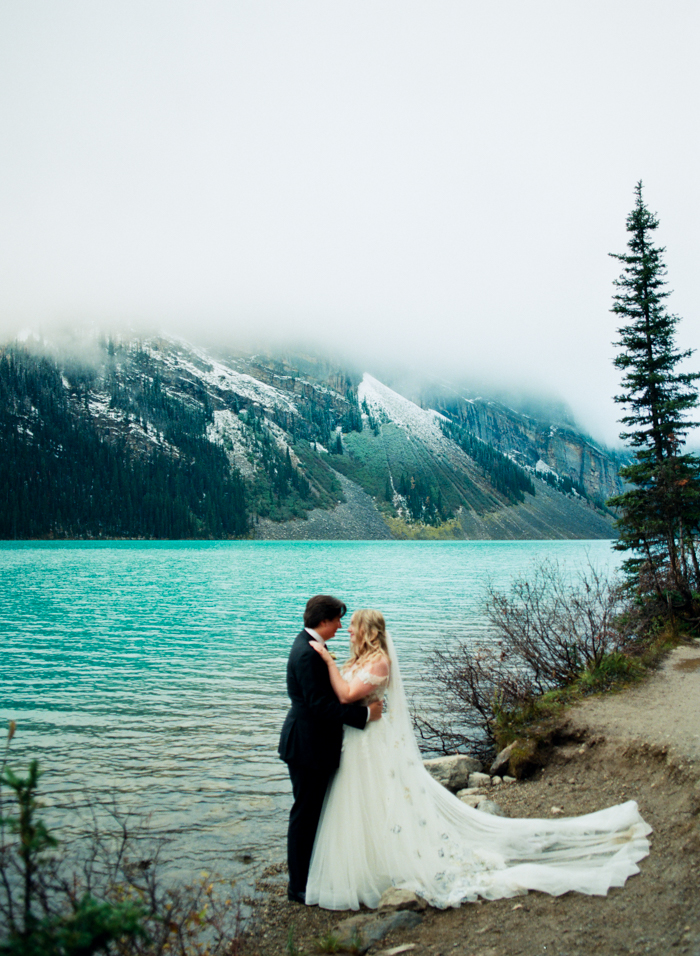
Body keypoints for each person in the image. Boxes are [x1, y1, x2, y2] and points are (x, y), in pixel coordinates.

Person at [304, 608, 652, 911]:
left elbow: (347, 694)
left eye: (352, 626)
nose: (347, 630)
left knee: (382, 797)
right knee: (366, 801)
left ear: (367, 631)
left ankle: (387, 863)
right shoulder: (359, 659)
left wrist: (327, 661)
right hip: (361, 739)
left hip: (373, 742)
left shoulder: (379, 661)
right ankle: (373, 861)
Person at [278, 595, 383, 904]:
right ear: (323, 621)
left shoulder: (310, 646)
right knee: (305, 814)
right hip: (306, 746)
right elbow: (319, 705)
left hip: (312, 743)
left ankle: (310, 875)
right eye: (338, 619)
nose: (340, 625)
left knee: (311, 812)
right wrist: (364, 716)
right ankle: (298, 886)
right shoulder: (307, 653)